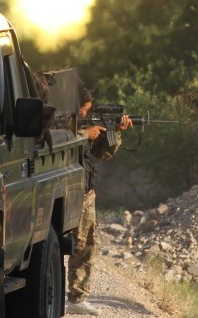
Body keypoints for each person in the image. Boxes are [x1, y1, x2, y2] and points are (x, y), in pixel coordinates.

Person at [65, 87, 132, 316]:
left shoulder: (85, 125)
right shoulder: (61, 123)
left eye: (88, 111)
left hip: (86, 192)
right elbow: (57, 140)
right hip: (66, 191)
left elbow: (104, 154)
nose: (85, 114)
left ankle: (77, 297)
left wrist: (115, 132)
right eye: (83, 110)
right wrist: (86, 133)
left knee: (85, 246)